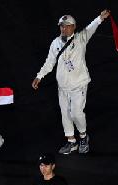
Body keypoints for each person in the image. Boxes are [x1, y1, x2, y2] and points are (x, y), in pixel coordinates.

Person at [32, 10, 111, 155]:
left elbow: (91, 27)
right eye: (61, 26)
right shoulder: (55, 43)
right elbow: (49, 62)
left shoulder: (81, 38)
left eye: (67, 26)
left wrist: (100, 18)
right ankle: (71, 141)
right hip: (63, 87)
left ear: (73, 27)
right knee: (65, 114)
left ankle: (83, 137)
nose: (63, 28)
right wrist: (39, 76)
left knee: (76, 113)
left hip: (78, 85)